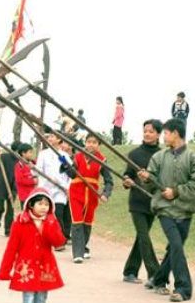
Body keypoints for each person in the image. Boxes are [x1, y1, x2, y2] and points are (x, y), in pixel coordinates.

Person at [138, 118, 195, 302]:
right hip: (164, 209)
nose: (164, 136)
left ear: (175, 133)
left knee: (174, 249)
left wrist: (176, 192)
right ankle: (183, 288)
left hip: (185, 211)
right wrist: (146, 178)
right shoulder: (159, 157)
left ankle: (159, 279)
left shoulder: (194, 158)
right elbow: (152, 185)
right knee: (176, 245)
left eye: (166, 133)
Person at [0, 188, 65, 303]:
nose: (43, 207)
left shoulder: (51, 221)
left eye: (46, 204)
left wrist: (51, 225)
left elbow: (59, 242)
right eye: (40, 203)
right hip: (26, 265)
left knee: (42, 294)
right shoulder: (20, 223)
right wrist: (4, 271)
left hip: (46, 264)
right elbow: (11, 248)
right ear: (31, 205)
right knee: (28, 293)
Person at [122, 119, 163, 285]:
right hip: (137, 202)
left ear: (158, 134)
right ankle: (155, 274)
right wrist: (127, 180)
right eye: (145, 130)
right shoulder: (134, 154)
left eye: (151, 131)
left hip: (153, 202)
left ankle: (130, 271)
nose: (147, 134)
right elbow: (127, 174)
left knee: (141, 237)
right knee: (144, 237)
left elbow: (163, 178)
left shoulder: (162, 155)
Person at [67, 133, 113, 263]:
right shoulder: (77, 157)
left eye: (94, 142)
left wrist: (105, 194)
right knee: (77, 221)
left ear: (99, 145)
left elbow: (109, 181)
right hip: (76, 192)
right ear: (85, 143)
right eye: (88, 141)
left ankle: (83, 248)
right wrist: (67, 165)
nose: (91, 144)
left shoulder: (102, 160)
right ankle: (78, 253)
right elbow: (71, 174)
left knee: (87, 223)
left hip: (92, 195)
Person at [36, 133, 72, 250]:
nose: (50, 139)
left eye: (52, 137)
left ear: (59, 139)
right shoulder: (42, 154)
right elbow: (39, 171)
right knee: (45, 215)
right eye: (48, 137)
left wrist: (67, 187)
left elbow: (70, 172)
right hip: (46, 188)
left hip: (61, 189)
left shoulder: (63, 156)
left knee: (58, 214)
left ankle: (60, 240)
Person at [0, 143, 19, 236]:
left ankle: (8, 230)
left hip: (13, 187)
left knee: (10, 209)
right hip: (0, 186)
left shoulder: (21, 160)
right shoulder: (3, 157)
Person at [14, 143, 37, 209]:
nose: (32, 154)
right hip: (25, 195)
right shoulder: (19, 166)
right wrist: (33, 181)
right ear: (23, 153)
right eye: (30, 152)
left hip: (35, 193)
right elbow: (20, 180)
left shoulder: (34, 163)